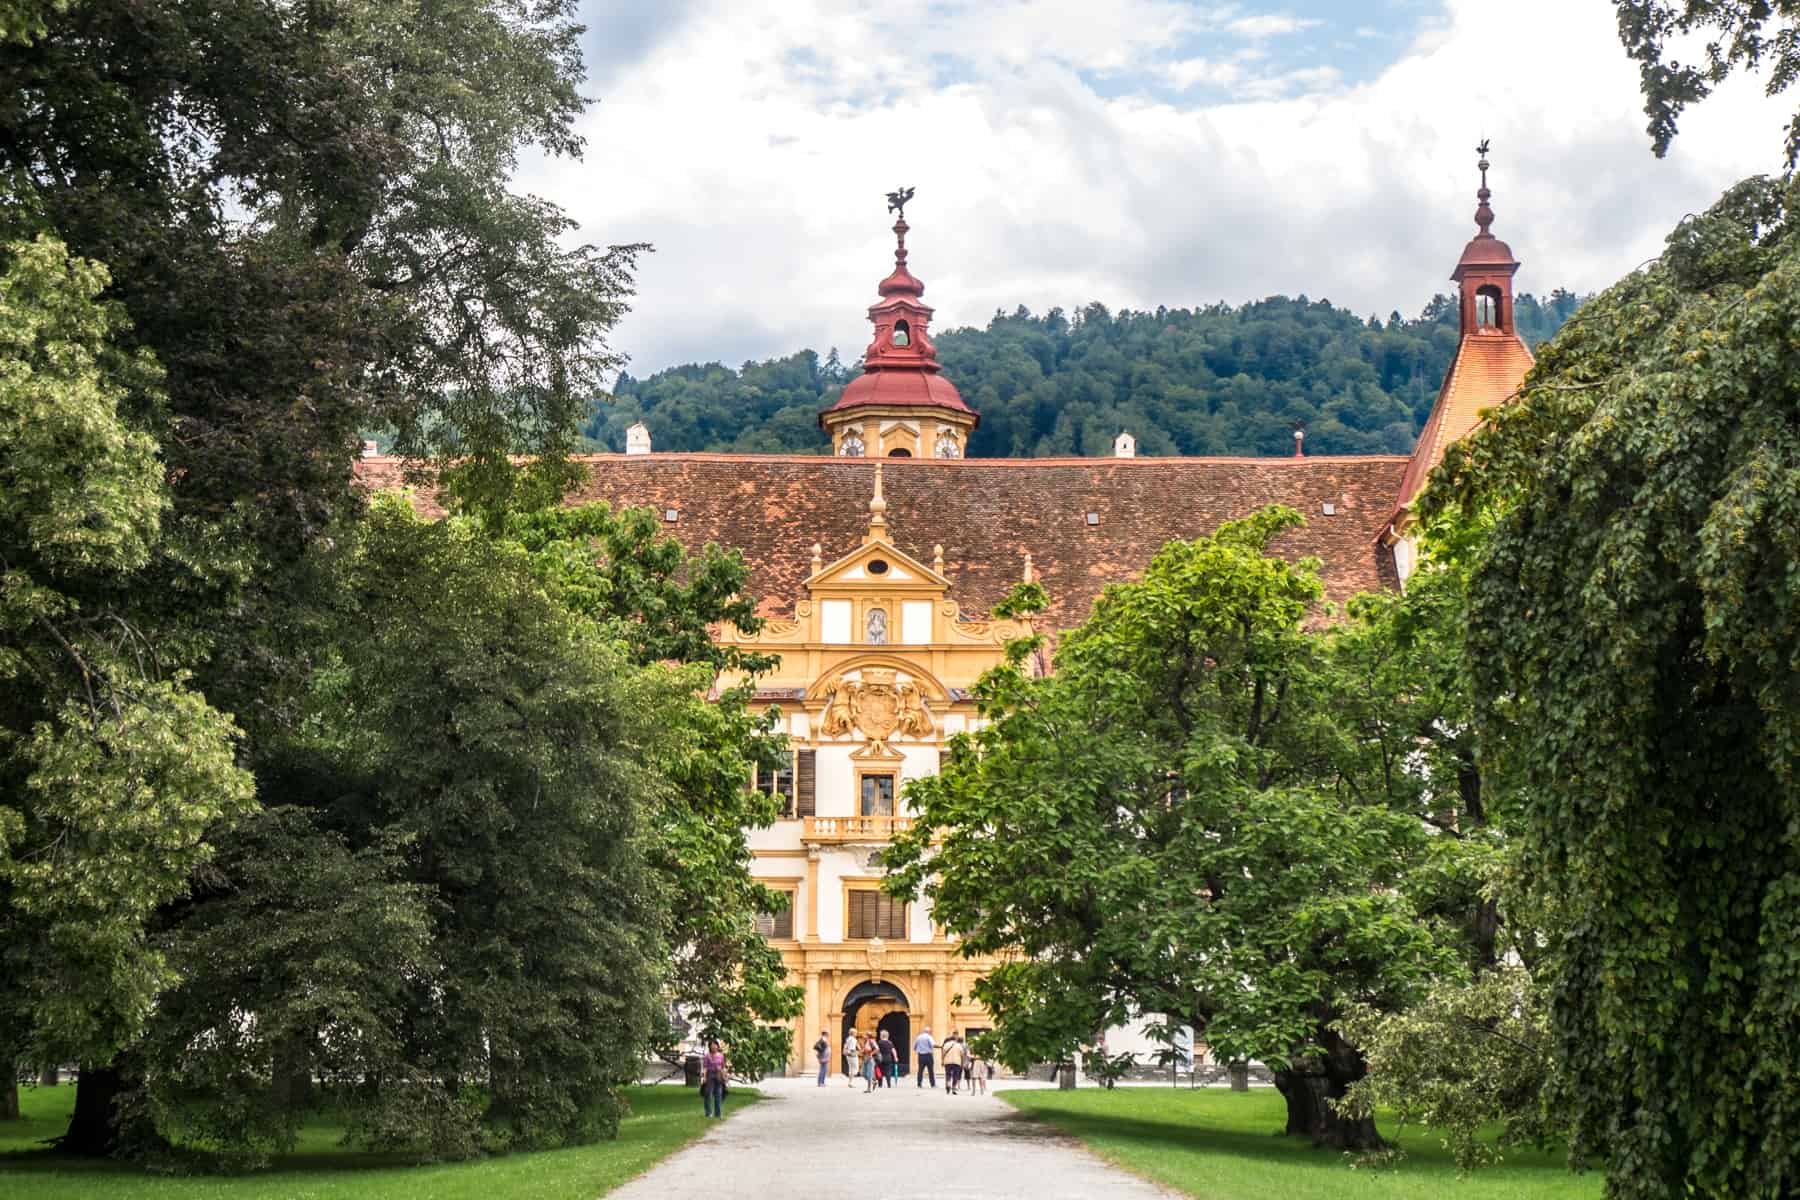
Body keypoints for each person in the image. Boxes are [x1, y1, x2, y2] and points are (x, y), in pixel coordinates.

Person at [700, 1039, 728, 1119]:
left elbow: (723, 1067)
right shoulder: (707, 1056)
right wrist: (704, 1077)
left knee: (718, 1095)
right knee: (708, 1095)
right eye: (711, 1045)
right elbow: (705, 1067)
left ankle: (718, 1114)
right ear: (709, 1047)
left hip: (718, 1075)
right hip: (710, 1075)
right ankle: (708, 1113)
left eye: (715, 1045)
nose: (713, 1047)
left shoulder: (721, 1055)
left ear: (717, 1046)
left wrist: (725, 1076)